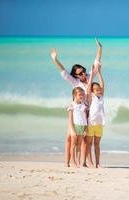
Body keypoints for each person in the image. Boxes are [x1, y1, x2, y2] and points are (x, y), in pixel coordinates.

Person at [50, 38, 102, 167]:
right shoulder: (75, 82)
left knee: (84, 139)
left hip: (88, 111)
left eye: (84, 71)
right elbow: (63, 72)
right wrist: (55, 60)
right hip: (76, 110)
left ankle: (85, 162)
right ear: (76, 76)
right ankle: (67, 162)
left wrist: (100, 48)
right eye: (80, 73)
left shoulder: (89, 77)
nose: (84, 74)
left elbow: (96, 63)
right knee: (70, 138)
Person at [85, 61, 105, 168]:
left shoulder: (101, 97)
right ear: (92, 91)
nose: (99, 91)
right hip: (91, 124)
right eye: (96, 90)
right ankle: (90, 162)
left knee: (97, 144)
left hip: (99, 124)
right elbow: (89, 87)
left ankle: (98, 163)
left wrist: (100, 73)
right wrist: (92, 74)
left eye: (99, 89)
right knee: (89, 144)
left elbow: (102, 84)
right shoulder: (91, 97)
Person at [67, 87, 88, 167]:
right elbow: (70, 120)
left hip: (82, 127)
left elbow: (85, 118)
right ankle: (73, 162)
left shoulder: (84, 105)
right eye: (80, 94)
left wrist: (85, 129)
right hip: (75, 127)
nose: (82, 96)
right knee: (73, 145)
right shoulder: (72, 105)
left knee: (79, 145)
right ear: (74, 95)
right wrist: (72, 130)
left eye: (83, 94)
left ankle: (78, 162)